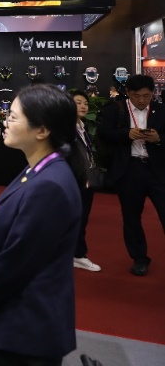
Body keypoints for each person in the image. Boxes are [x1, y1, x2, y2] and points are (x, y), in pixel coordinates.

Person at [0, 84, 87, 365]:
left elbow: (13, 265)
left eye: (13, 117)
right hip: (11, 323)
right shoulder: (38, 169)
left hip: (22, 331)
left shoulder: (49, 185)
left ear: (42, 130)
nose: (5, 122)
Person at [96, 74, 165, 276]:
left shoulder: (161, 110)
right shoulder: (115, 110)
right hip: (130, 170)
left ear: (152, 93)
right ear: (128, 93)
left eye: (146, 95)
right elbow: (103, 133)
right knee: (131, 217)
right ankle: (139, 258)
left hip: (157, 170)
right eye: (136, 96)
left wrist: (158, 138)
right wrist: (126, 134)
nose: (142, 100)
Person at [69, 89, 101, 272]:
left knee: (81, 219)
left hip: (86, 181)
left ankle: (74, 254)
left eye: (86, 103)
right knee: (76, 219)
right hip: (75, 181)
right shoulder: (65, 130)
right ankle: (78, 255)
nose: (83, 106)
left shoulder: (82, 127)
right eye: (78, 102)